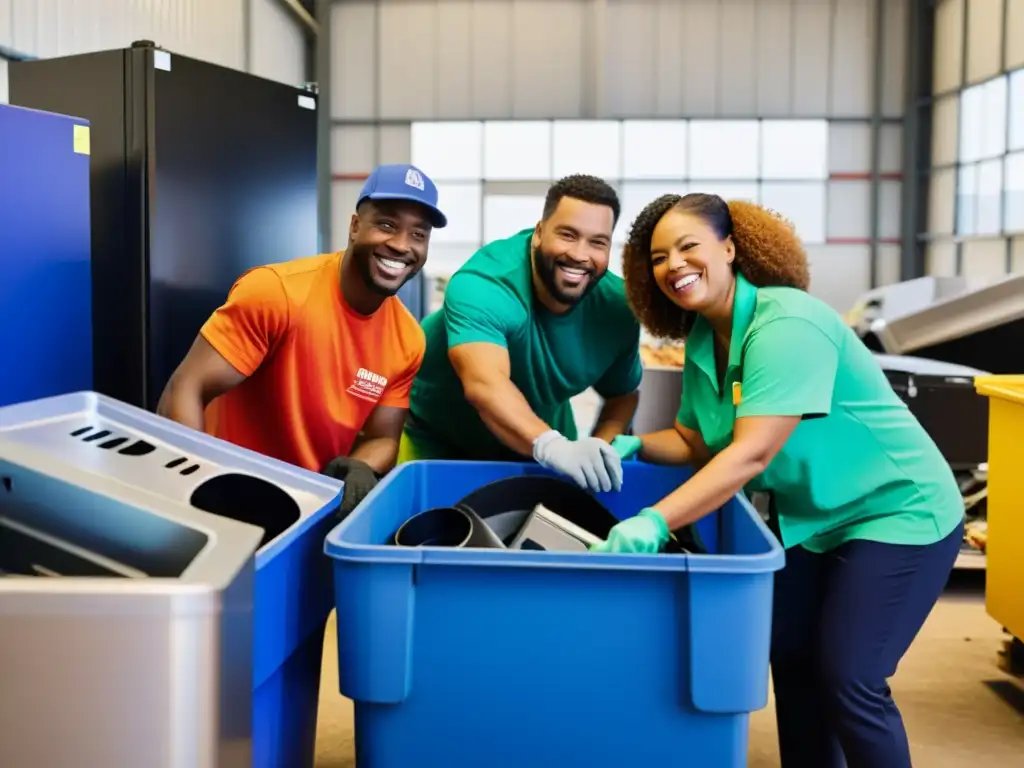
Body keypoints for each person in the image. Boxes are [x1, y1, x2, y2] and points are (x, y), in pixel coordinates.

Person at [597, 193, 964, 768]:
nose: (674, 266)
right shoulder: (701, 339)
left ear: (730, 248)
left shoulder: (787, 321)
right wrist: (636, 444)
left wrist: (656, 518)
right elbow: (697, 441)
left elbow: (750, 453)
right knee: (791, 658)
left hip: (897, 511)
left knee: (850, 677)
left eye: (688, 247)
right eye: (659, 258)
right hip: (813, 521)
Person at [157, 163, 446, 517]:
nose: (401, 245)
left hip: (309, 510)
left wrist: (358, 466)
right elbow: (186, 388)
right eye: (386, 225)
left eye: (419, 234)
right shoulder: (277, 293)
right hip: (226, 500)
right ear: (355, 227)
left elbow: (383, 437)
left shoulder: (407, 338)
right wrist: (196, 486)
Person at [401, 174, 643, 493]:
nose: (581, 255)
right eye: (568, 235)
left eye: (597, 242)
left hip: (541, 433)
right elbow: (486, 386)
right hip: (439, 434)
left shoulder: (617, 309)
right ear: (539, 232)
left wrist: (600, 446)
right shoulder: (485, 284)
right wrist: (552, 446)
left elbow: (623, 394)